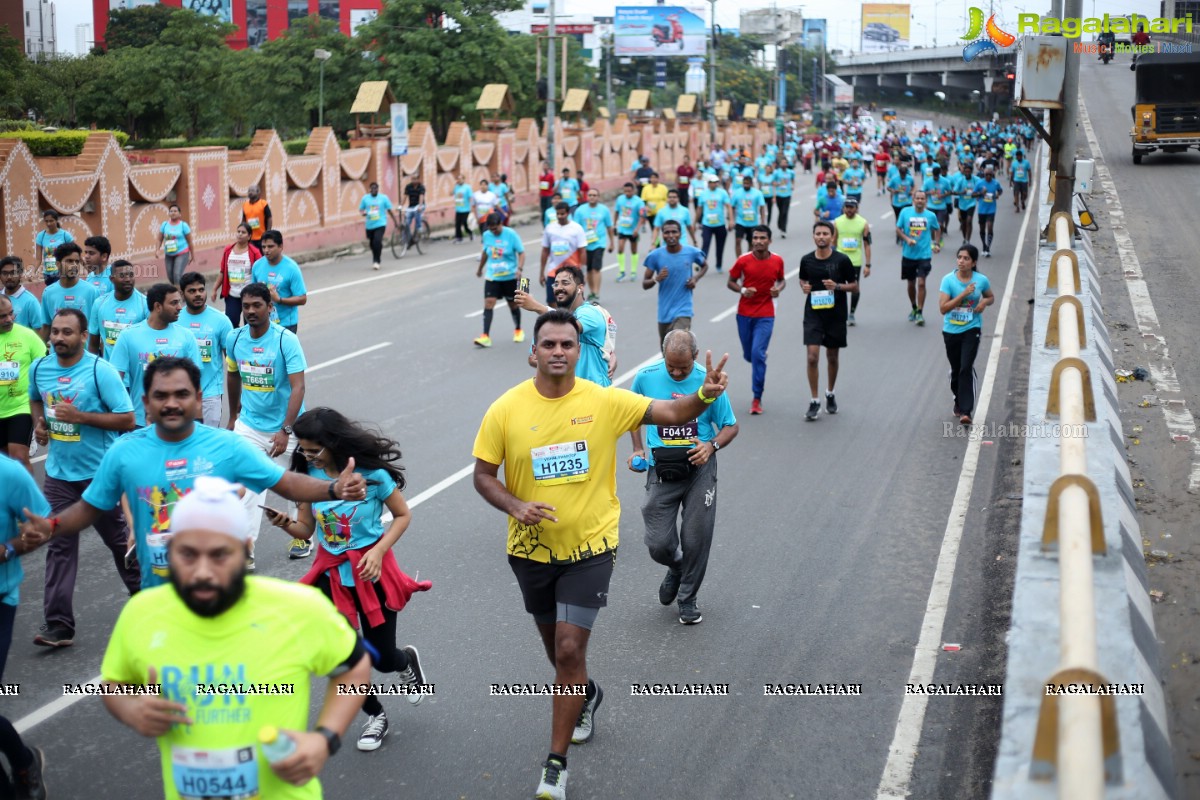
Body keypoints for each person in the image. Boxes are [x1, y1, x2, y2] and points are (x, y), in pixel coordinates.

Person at [472, 308, 730, 800]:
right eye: (548, 344)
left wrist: (703, 396)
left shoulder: (605, 400)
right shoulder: (505, 409)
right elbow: (483, 476)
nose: (557, 352)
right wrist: (515, 503)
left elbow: (672, 414)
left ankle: (555, 764)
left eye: (567, 345)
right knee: (557, 653)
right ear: (534, 351)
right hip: (530, 550)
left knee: (570, 650)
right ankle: (585, 694)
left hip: (591, 546)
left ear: (578, 350)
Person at [94, 475, 372, 800]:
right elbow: (114, 685)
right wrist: (131, 710)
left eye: (219, 555)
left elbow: (354, 667)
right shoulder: (142, 612)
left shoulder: (298, 609)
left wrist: (325, 740)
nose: (202, 571)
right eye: (188, 554)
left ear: (246, 549)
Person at [18, 356, 369, 590]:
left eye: (182, 394)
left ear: (199, 400)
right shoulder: (124, 452)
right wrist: (52, 527)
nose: (171, 402)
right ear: (146, 404)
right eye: (161, 395)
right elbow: (92, 506)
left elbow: (286, 482)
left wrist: (334, 490)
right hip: (159, 597)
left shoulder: (227, 447)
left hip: (220, 594)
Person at [267, 408, 432, 751]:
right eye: (304, 449)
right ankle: (375, 715)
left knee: (382, 658)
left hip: (373, 571)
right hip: (331, 577)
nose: (307, 455)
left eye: (314, 449)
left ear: (332, 443)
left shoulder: (370, 475)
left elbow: (402, 515)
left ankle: (405, 661)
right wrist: (285, 523)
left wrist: (378, 551)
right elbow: (306, 529)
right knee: (343, 656)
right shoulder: (309, 478)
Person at [28, 307, 139, 648]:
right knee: (59, 543)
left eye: (66, 332)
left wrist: (81, 417)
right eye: (55, 332)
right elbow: (37, 401)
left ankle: (149, 603)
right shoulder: (40, 368)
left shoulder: (99, 371)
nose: (58, 338)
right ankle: (58, 624)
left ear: (82, 334)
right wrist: (40, 425)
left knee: (122, 545)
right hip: (59, 475)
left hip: (100, 475)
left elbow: (127, 419)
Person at [628, 329, 737, 625]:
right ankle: (676, 566)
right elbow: (631, 412)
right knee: (658, 543)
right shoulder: (646, 377)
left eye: (683, 367)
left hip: (699, 468)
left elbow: (730, 425)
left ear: (696, 358)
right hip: (661, 469)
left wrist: (711, 446)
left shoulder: (708, 380)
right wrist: (638, 448)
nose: (676, 372)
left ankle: (688, 598)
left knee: (696, 536)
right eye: (670, 366)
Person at [224, 283, 308, 562]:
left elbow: (298, 387)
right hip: (249, 425)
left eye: (256, 305)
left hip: (287, 427)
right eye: (246, 306)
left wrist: (285, 429)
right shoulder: (234, 339)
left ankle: (301, 537)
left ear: (270, 308)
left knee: (293, 483)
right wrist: (233, 415)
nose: (250, 311)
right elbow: (234, 376)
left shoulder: (285, 340)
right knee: (246, 488)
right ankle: (245, 550)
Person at [1, 454, 51, 798]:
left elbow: (44, 525)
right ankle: (22, 760)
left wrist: (10, 547)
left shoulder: (8, 474)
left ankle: (23, 764)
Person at [110, 283, 201, 428]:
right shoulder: (128, 336)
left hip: (178, 420)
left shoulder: (187, 336)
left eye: (180, 302)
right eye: (174, 303)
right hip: (140, 422)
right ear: (158, 306)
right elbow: (114, 380)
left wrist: (196, 418)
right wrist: (122, 413)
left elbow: (195, 382)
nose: (180, 307)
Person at [515, 266, 617, 387]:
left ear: (580, 288)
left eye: (565, 283)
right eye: (556, 284)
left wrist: (537, 307)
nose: (559, 288)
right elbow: (533, 358)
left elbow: (569, 328)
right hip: (564, 392)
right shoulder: (550, 322)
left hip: (595, 393)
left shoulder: (591, 313)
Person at [798, 221, 858, 421]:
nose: (821, 236)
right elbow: (803, 279)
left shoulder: (842, 260)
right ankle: (814, 400)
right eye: (818, 233)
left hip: (836, 314)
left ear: (832, 237)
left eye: (825, 233)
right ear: (813, 236)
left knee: (832, 356)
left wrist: (838, 286)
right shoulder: (806, 260)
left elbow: (854, 286)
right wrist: (804, 287)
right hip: (813, 313)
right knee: (812, 357)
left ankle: (829, 393)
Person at [728, 225, 785, 416]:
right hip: (744, 313)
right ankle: (756, 355)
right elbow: (730, 282)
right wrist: (743, 290)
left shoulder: (777, 260)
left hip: (766, 313)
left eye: (762, 238)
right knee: (749, 355)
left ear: (770, 240)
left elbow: (781, 279)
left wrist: (779, 288)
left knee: (758, 354)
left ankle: (757, 398)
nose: (758, 241)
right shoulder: (743, 261)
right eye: (756, 238)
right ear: (752, 240)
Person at [938, 244, 994, 425]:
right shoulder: (948, 280)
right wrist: (964, 293)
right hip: (951, 331)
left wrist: (984, 302)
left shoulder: (981, 280)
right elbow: (943, 308)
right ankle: (958, 398)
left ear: (974, 262)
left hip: (972, 329)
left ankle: (966, 411)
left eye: (966, 258)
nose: (961, 261)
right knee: (956, 370)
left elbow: (990, 296)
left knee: (965, 368)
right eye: (959, 257)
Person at [179, 272, 234, 428]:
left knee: (208, 443)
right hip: (180, 393)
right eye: (192, 291)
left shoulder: (221, 321)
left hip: (211, 393)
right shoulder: (175, 319)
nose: (198, 294)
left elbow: (232, 363)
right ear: (182, 294)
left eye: (201, 290)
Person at [0, 295, 47, 467]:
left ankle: (28, 495)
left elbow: (45, 367)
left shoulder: (27, 336)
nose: (9, 319)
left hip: (21, 406)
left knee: (18, 457)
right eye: (2, 316)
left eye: (11, 314)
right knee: (5, 464)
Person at [642, 220, 706, 346]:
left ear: (680, 234)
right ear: (662, 235)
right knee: (666, 352)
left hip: (684, 310)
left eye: (674, 232)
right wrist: (657, 278)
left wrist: (695, 278)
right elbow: (645, 283)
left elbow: (704, 266)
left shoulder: (691, 252)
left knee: (677, 344)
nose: (670, 235)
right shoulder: (655, 255)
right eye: (667, 232)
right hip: (664, 313)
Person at [474, 213, 526, 348]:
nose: (493, 231)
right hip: (493, 276)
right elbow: (486, 252)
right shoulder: (486, 235)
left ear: (501, 224)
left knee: (513, 305)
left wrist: (519, 269)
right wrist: (480, 268)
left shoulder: (511, 234)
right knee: (489, 303)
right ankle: (485, 336)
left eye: (495, 228)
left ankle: (518, 330)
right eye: (491, 229)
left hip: (510, 276)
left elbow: (521, 252)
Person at [896, 190, 940, 327]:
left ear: (926, 201)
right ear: (913, 200)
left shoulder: (930, 215)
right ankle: (914, 307)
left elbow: (937, 229)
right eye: (917, 198)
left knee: (921, 283)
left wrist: (936, 243)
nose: (920, 201)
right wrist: (907, 239)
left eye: (922, 198)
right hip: (908, 255)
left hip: (924, 255)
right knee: (911, 284)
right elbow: (898, 229)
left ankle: (920, 311)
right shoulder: (905, 212)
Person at [250, 230, 308, 334]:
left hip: (286, 324)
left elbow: (302, 299)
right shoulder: (257, 266)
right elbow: (252, 294)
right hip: (263, 323)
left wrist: (279, 299)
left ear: (280, 246)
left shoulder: (292, 268)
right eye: (263, 247)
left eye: (270, 246)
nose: (266, 250)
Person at [88, 260, 148, 360]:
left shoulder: (145, 304)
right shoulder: (99, 304)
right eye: (122, 276)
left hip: (135, 370)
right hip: (110, 371)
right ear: (112, 279)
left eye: (131, 275)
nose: (128, 279)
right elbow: (93, 343)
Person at [832, 197, 871, 326]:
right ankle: (839, 313)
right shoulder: (837, 222)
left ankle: (852, 313)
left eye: (851, 207)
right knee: (837, 287)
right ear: (843, 208)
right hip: (838, 260)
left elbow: (866, 244)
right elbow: (833, 241)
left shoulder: (863, 223)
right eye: (846, 207)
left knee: (854, 288)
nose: (849, 210)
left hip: (855, 262)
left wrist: (868, 265)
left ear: (856, 208)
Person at [540, 203, 587, 308]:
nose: (560, 216)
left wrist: (583, 271)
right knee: (551, 301)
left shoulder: (577, 228)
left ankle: (571, 321)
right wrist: (541, 272)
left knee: (572, 300)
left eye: (562, 214)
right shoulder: (549, 228)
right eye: (558, 214)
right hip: (553, 271)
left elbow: (582, 251)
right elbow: (545, 250)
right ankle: (558, 320)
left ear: (568, 213)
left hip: (572, 271)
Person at [571, 189, 615, 303]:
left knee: (596, 268)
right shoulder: (580, 210)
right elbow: (575, 228)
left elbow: (609, 227)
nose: (592, 197)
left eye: (594, 195)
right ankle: (592, 292)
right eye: (590, 195)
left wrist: (612, 242)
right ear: (587, 196)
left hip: (599, 243)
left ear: (598, 197)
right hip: (584, 245)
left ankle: (596, 293)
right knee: (589, 270)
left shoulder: (604, 210)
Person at [214, 223, 260, 328]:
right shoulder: (228, 250)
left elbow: (260, 272)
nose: (240, 234)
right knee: (231, 324)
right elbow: (222, 271)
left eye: (243, 232)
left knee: (250, 324)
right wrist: (214, 289)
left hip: (249, 295)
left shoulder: (254, 252)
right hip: (232, 295)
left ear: (249, 236)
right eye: (238, 232)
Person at [40, 243, 98, 326]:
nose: (74, 265)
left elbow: (98, 327)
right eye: (69, 261)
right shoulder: (48, 293)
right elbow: (46, 326)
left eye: (77, 262)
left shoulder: (92, 291)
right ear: (58, 264)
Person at [1, 257, 47, 340]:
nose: (9, 277)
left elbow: (39, 332)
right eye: (5, 273)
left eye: (13, 273)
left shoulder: (30, 301)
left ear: (20, 274)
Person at [696, 173, 733, 273]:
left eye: (716, 182)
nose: (714, 184)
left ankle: (719, 265)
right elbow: (699, 209)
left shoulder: (722, 193)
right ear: (708, 183)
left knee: (720, 246)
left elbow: (728, 206)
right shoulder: (703, 194)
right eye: (712, 182)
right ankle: (702, 263)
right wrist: (694, 222)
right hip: (707, 224)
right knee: (705, 244)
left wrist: (731, 220)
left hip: (720, 224)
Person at [359, 182, 399, 271]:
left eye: (375, 188)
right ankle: (377, 252)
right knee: (372, 244)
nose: (374, 190)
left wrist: (395, 221)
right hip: (369, 225)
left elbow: (389, 210)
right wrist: (363, 213)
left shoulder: (383, 198)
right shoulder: (365, 198)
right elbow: (361, 209)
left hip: (380, 223)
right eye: (372, 188)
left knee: (377, 241)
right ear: (369, 189)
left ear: (378, 189)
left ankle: (376, 260)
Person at [613, 183, 647, 284]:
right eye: (625, 191)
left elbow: (642, 216)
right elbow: (616, 212)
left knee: (633, 250)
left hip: (633, 230)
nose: (627, 193)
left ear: (633, 191)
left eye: (629, 191)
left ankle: (633, 271)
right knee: (620, 248)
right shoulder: (620, 199)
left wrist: (637, 229)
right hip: (622, 229)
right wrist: (614, 224)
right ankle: (622, 271)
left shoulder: (639, 201)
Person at [156, 203, 194, 286]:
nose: (173, 213)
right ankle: (182, 289)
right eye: (171, 211)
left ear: (179, 214)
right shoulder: (164, 225)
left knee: (177, 275)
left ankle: (178, 295)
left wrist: (192, 255)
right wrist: (157, 250)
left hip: (182, 253)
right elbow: (159, 239)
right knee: (170, 276)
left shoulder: (183, 226)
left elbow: (190, 241)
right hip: (169, 254)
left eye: (175, 211)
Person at [731, 174, 766, 260]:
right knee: (738, 240)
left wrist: (762, 221)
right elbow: (732, 207)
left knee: (752, 243)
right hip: (740, 221)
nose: (746, 185)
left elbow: (762, 207)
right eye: (744, 183)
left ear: (751, 184)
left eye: (747, 183)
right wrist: (731, 219)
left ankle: (748, 259)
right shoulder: (737, 193)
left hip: (753, 223)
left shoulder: (757, 193)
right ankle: (739, 260)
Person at [34, 209, 73, 286]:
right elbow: (38, 259)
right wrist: (32, 272)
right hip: (48, 274)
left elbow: (74, 253)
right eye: (46, 221)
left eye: (51, 221)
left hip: (62, 272)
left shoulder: (65, 235)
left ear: (56, 220)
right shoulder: (41, 236)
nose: (49, 223)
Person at [951, 162, 981, 246]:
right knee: (964, 223)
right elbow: (954, 192)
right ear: (964, 172)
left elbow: (981, 189)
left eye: (969, 172)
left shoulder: (976, 179)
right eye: (966, 172)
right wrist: (961, 192)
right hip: (962, 204)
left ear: (971, 172)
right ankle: (965, 238)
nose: (967, 173)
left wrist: (977, 193)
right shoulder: (960, 180)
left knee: (969, 221)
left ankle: (968, 240)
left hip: (971, 204)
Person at [976, 168, 1003, 257]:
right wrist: (981, 193)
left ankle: (988, 248)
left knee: (990, 227)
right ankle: (984, 245)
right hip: (982, 210)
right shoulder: (979, 183)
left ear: (992, 175)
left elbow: (1000, 190)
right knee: (982, 229)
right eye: (986, 174)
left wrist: (998, 194)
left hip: (991, 209)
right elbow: (973, 194)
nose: (988, 176)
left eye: (990, 175)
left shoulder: (995, 183)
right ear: (984, 175)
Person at [925, 166, 952, 252]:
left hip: (941, 206)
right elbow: (923, 192)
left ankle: (939, 238)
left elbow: (950, 191)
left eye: (937, 176)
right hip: (931, 206)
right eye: (934, 176)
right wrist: (930, 192)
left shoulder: (945, 181)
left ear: (939, 174)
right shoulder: (928, 181)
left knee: (940, 225)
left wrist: (943, 195)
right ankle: (933, 241)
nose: (935, 178)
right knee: (931, 226)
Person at [887, 165, 915, 243]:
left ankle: (907, 235)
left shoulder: (909, 178)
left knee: (907, 219)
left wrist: (911, 191)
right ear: (899, 173)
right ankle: (898, 235)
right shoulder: (894, 179)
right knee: (898, 219)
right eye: (902, 174)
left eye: (904, 174)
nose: (903, 176)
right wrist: (893, 191)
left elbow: (913, 186)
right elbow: (888, 187)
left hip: (907, 202)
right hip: (897, 203)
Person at [241, 184, 272, 250]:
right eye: (249, 191)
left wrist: (268, 232)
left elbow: (269, 218)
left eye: (252, 190)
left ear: (258, 192)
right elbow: (243, 219)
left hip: (262, 237)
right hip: (250, 237)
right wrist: (242, 231)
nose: (250, 192)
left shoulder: (263, 204)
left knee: (262, 257)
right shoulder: (245, 205)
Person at [772, 158, 795, 238]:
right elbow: (773, 182)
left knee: (785, 212)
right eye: (782, 163)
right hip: (779, 194)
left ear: (787, 164)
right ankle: (779, 224)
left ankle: (783, 230)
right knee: (781, 211)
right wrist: (777, 184)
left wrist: (792, 185)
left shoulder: (790, 172)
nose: (784, 164)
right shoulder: (776, 172)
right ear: (780, 164)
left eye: (785, 163)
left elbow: (792, 180)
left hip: (787, 194)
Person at [453, 174, 474, 244]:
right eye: (458, 179)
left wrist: (471, 206)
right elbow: (451, 193)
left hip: (465, 209)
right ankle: (459, 237)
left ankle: (470, 232)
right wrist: (454, 185)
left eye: (460, 179)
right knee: (457, 224)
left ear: (463, 179)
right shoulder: (456, 187)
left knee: (464, 223)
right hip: (458, 209)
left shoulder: (467, 187)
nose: (458, 180)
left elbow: (470, 197)